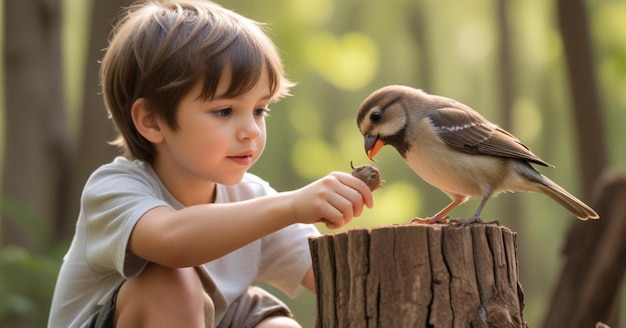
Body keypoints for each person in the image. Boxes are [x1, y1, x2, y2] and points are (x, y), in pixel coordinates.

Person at [47, 0, 374, 327]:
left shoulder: (253, 197)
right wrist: (291, 205)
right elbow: (172, 241)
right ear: (152, 120)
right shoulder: (114, 190)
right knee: (169, 282)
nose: (251, 131)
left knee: (273, 323)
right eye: (225, 111)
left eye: (259, 110)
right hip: (133, 311)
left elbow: (339, 278)